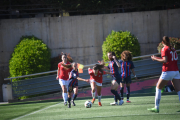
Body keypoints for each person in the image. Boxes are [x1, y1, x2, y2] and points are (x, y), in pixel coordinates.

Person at [148, 36, 180, 113]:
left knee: (158, 88)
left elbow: (165, 60)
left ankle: (156, 107)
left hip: (167, 71)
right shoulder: (173, 48)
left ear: (162, 43)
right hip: (176, 71)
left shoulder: (164, 49)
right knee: (179, 90)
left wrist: (155, 58)